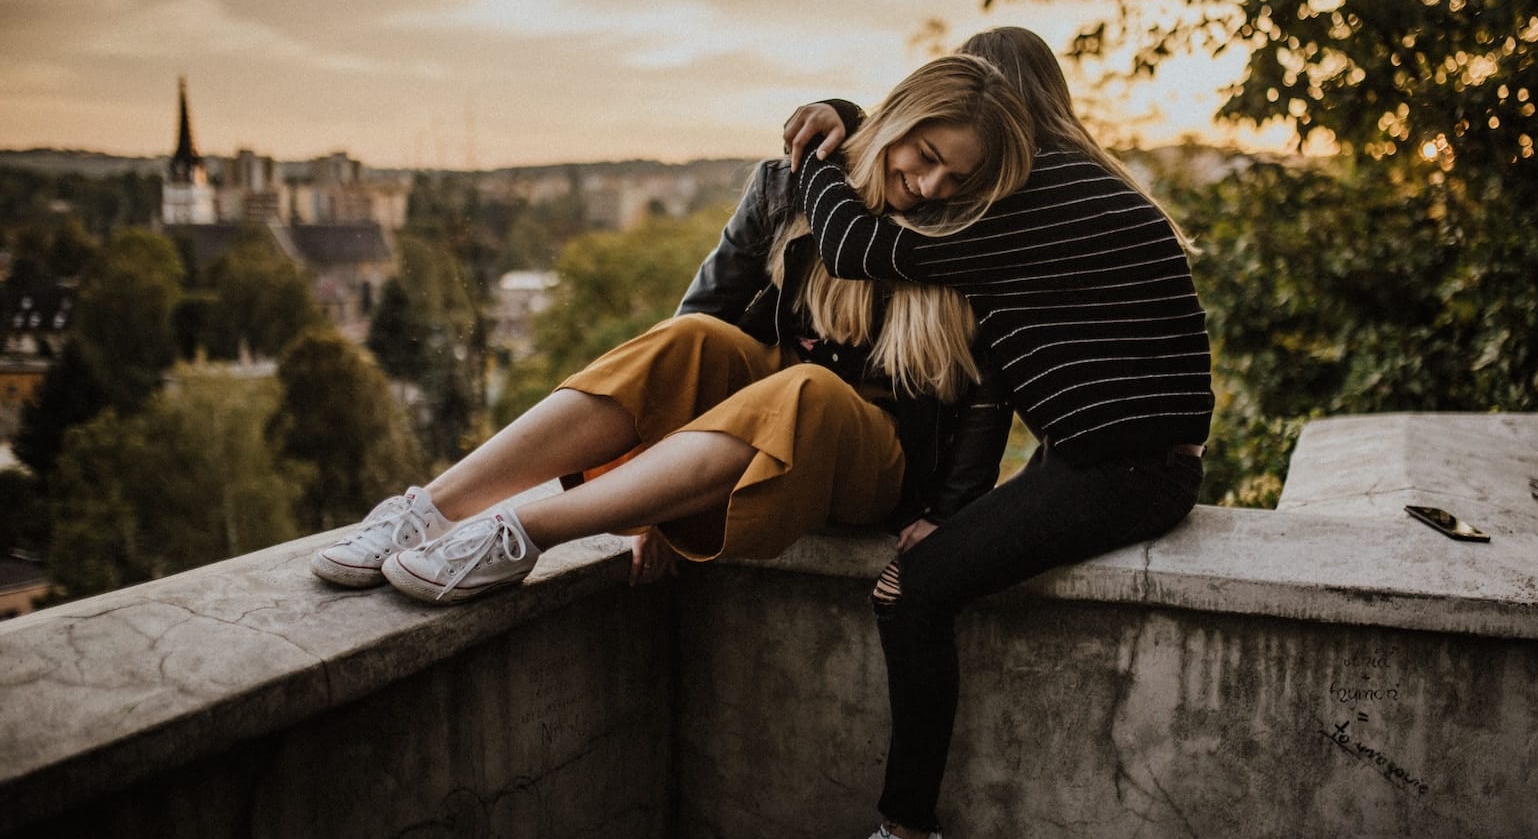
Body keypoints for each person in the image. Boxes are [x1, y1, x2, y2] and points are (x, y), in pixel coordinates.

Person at [309, 53, 1034, 608]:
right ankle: (427, 509)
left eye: (957, 180)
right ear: (897, 123)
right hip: (764, 405)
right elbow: (705, 310)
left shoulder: (966, 236)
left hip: (877, 454)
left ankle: (523, 533)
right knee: (691, 341)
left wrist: (950, 513)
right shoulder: (792, 185)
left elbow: (985, 392)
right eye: (928, 158)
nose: (936, 187)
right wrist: (651, 499)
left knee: (806, 389)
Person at [787, 28, 1215, 839]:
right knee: (928, 567)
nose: (949, 185)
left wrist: (821, 148)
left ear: (1005, 115)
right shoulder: (1061, 193)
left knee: (912, 593)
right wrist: (960, 509)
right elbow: (992, 370)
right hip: (1095, 460)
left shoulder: (1034, 198)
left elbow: (859, 244)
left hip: (1131, 474)